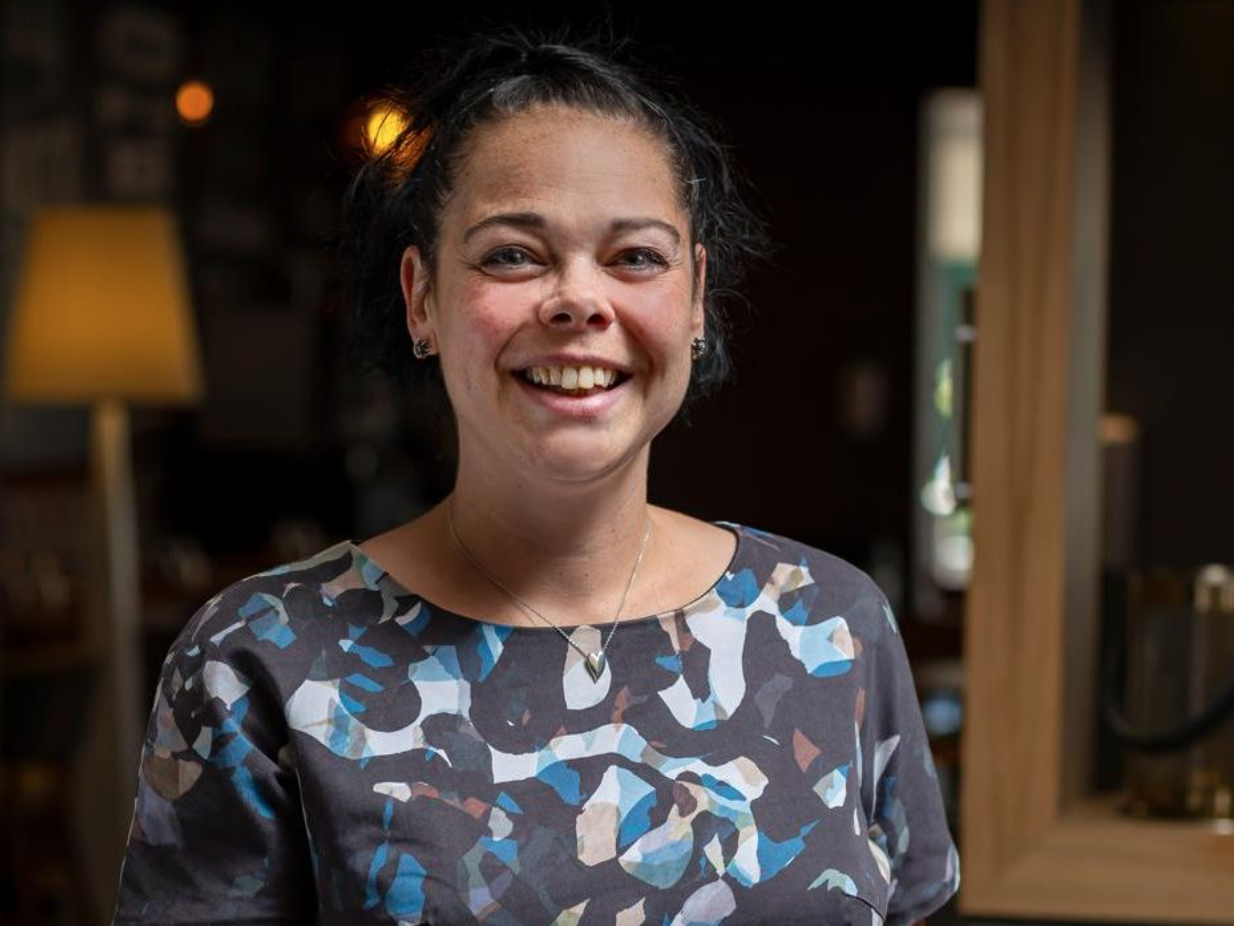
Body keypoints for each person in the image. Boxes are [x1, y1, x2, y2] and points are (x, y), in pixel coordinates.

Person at [110, 20, 960, 926]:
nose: (580, 300)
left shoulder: (833, 626)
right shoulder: (259, 659)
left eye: (636, 257)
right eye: (512, 255)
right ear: (422, 298)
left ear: (697, 299)